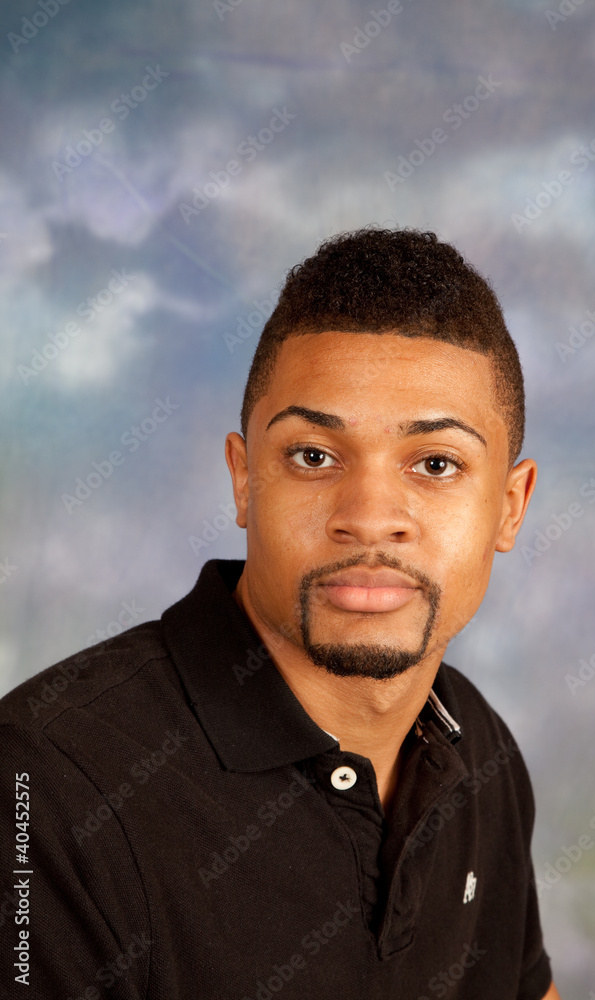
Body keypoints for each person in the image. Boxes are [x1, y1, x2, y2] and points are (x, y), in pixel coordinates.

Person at [0, 228, 561, 999]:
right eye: (313, 456)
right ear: (243, 481)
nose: (368, 517)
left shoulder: (478, 745)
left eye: (435, 463)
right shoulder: (44, 787)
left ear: (509, 505)